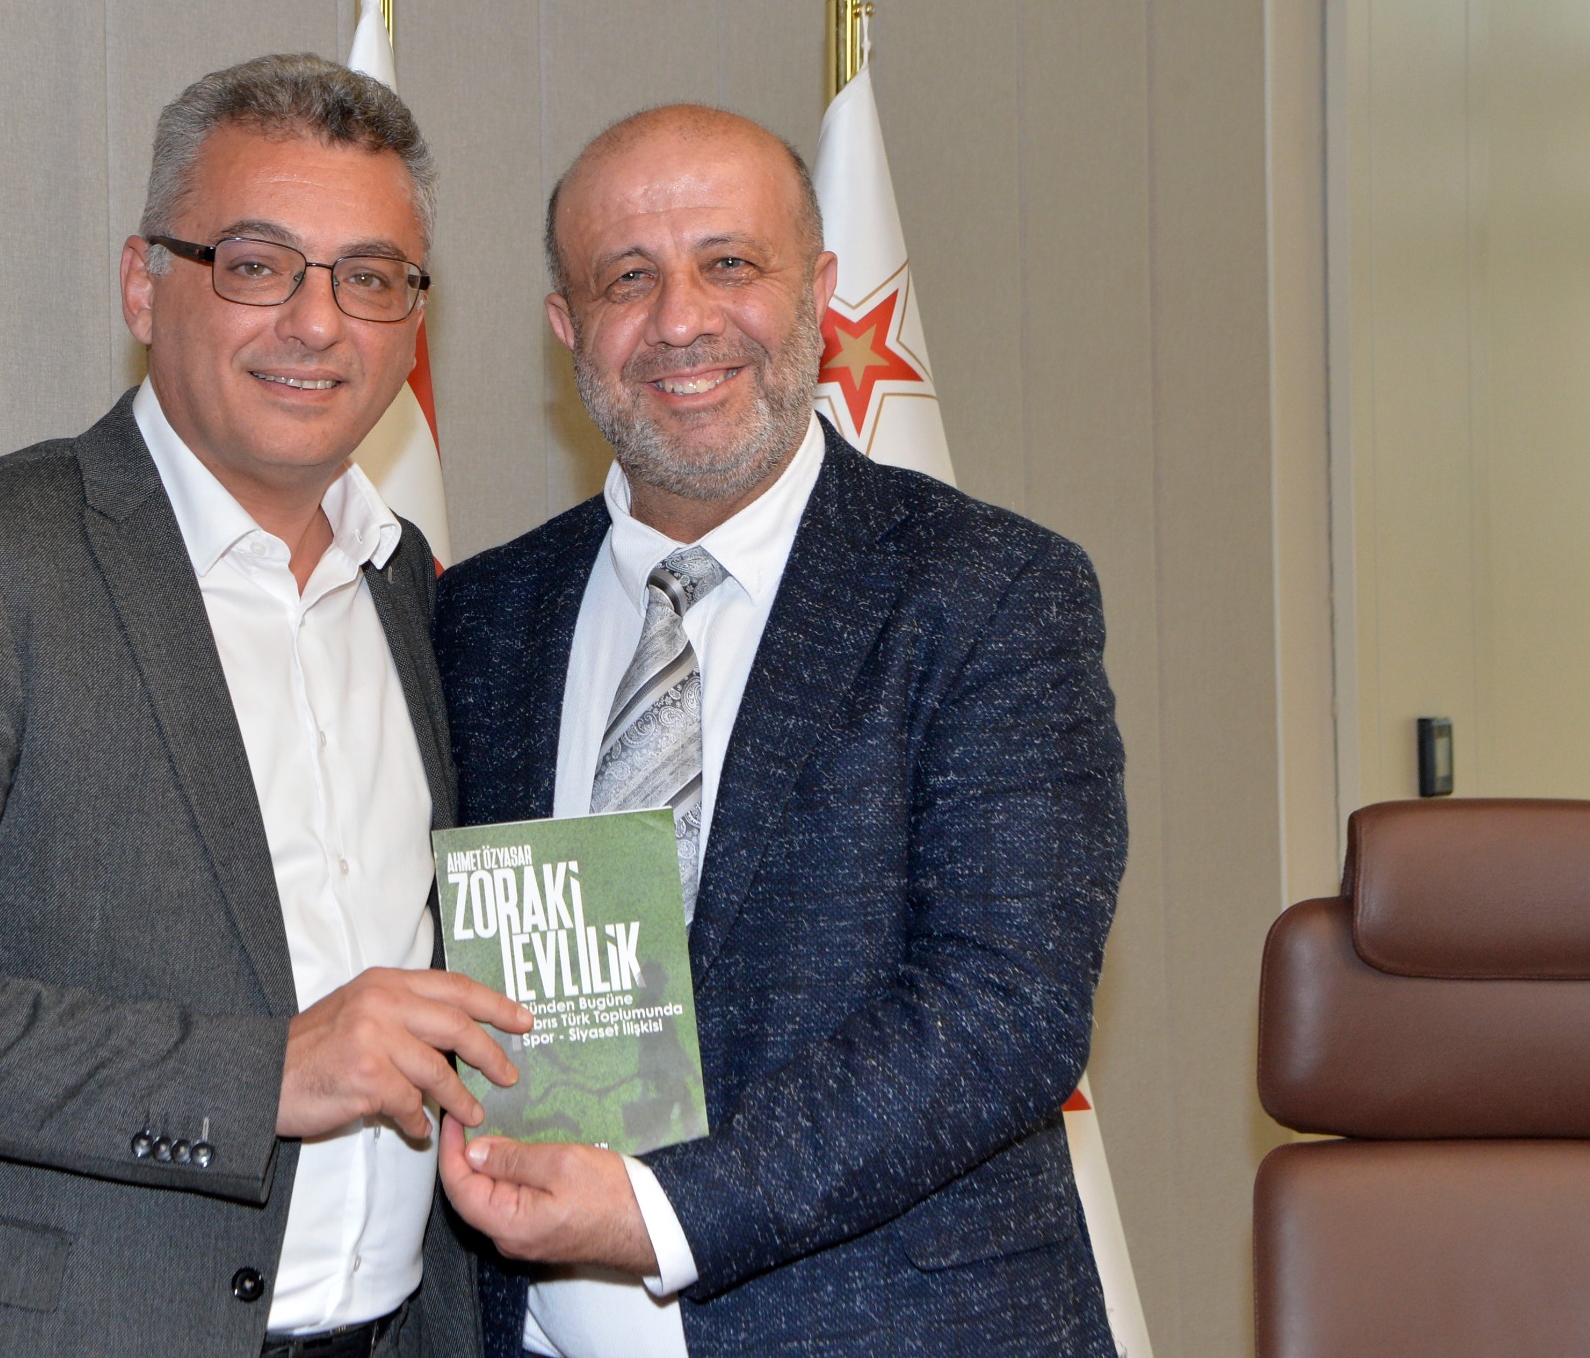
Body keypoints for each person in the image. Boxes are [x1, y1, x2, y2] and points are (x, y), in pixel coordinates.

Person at [0, 54, 525, 1358]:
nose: (317, 322)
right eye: (256, 264)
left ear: (412, 319)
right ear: (142, 282)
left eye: (369, 275)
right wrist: (261, 1075)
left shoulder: (414, 589)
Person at [432, 104, 1126, 1357]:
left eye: (729, 263)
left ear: (816, 291)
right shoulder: (476, 617)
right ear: (565, 327)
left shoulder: (990, 592)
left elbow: (1005, 1006)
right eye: (626, 279)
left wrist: (663, 1210)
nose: (680, 320)